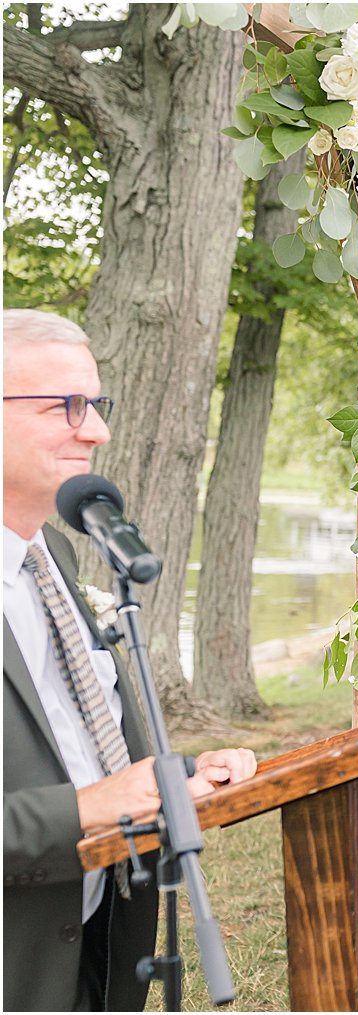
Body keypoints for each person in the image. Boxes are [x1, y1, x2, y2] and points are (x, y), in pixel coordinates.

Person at [3, 309, 257, 1011]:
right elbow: (83, 796)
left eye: (97, 405)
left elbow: (72, 735)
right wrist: (91, 805)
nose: (97, 430)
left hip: (97, 944)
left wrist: (171, 777)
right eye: (68, 405)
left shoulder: (52, 554)